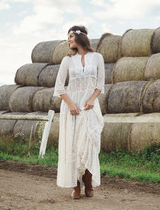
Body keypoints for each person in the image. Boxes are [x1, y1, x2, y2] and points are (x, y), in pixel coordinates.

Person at [53, 25, 105, 199]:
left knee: (89, 144)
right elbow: (59, 86)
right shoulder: (67, 61)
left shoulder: (97, 57)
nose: (68, 40)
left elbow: (100, 84)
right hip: (72, 108)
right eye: (67, 37)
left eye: (70, 36)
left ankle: (88, 183)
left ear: (79, 37)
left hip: (90, 107)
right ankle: (75, 186)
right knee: (73, 146)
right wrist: (70, 104)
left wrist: (91, 99)